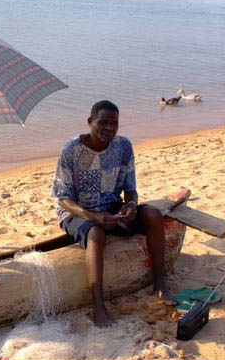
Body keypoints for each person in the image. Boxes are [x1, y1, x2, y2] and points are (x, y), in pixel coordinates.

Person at [51, 100, 175, 327]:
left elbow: (130, 188)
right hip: (78, 212)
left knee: (154, 215)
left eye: (113, 124)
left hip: (110, 206)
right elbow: (62, 198)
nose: (108, 128)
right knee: (96, 235)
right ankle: (98, 306)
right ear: (90, 122)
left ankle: (159, 282)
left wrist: (131, 206)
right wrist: (92, 216)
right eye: (103, 122)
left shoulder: (123, 146)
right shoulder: (72, 150)